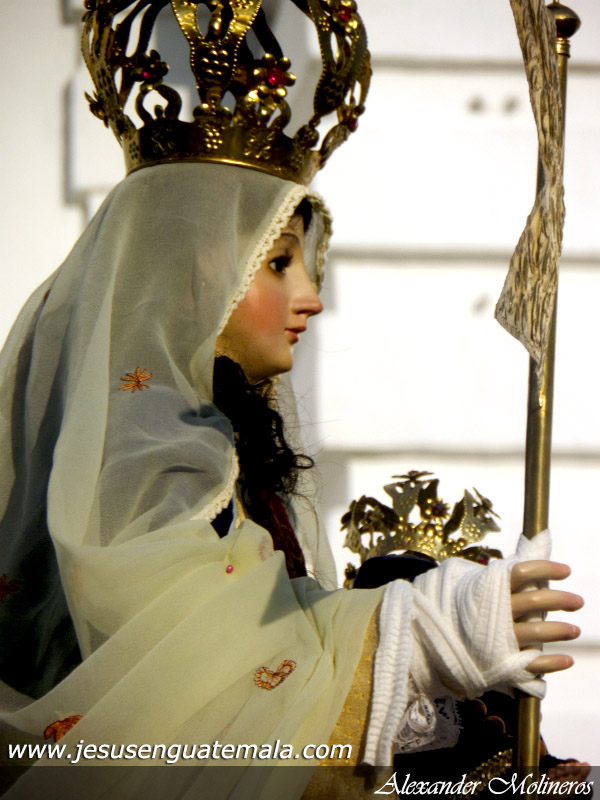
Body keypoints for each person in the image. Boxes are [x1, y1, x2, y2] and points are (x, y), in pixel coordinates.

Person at [0, 2, 585, 799]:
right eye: (278, 263)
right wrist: (418, 637)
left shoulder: (218, 443)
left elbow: (272, 633)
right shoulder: (149, 459)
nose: (310, 296)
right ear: (192, 279)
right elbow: (189, 680)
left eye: (306, 264)